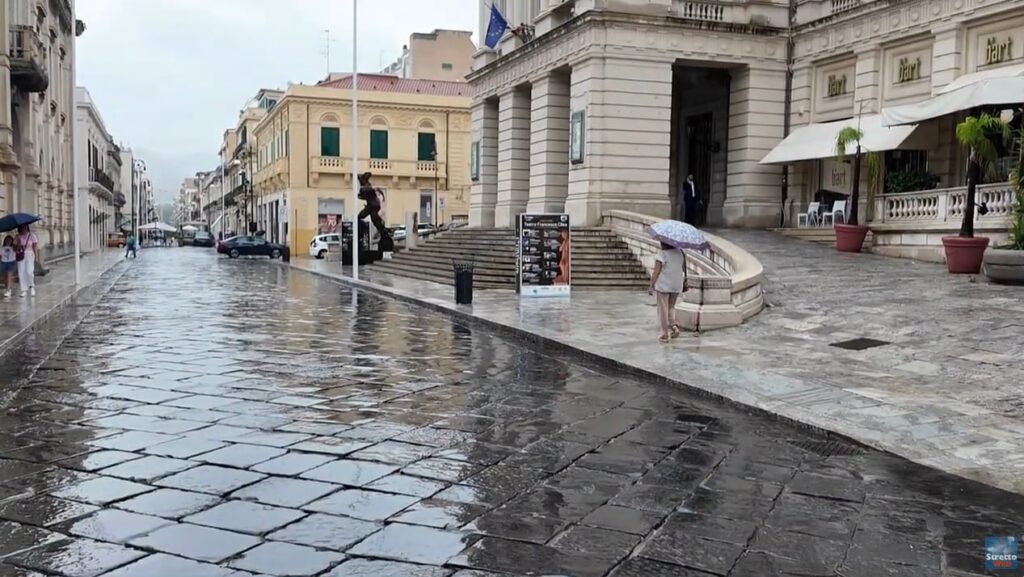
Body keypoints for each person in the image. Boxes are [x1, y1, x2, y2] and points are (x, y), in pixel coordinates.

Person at [648, 241, 686, 343]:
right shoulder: (680, 253)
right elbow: (682, 268)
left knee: (663, 309)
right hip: (676, 284)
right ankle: (674, 326)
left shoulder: (662, 254)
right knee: (671, 307)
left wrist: (651, 286)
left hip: (664, 285)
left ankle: (664, 334)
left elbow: (656, 272)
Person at [15, 225, 42, 297]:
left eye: (25, 226)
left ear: (27, 227)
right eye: (22, 227)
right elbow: (14, 247)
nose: (23, 228)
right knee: (21, 272)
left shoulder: (32, 235)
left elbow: (35, 247)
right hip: (20, 254)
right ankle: (24, 290)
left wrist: (36, 257)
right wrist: (18, 245)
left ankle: (32, 286)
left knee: (29, 272)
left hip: (30, 254)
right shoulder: (18, 236)